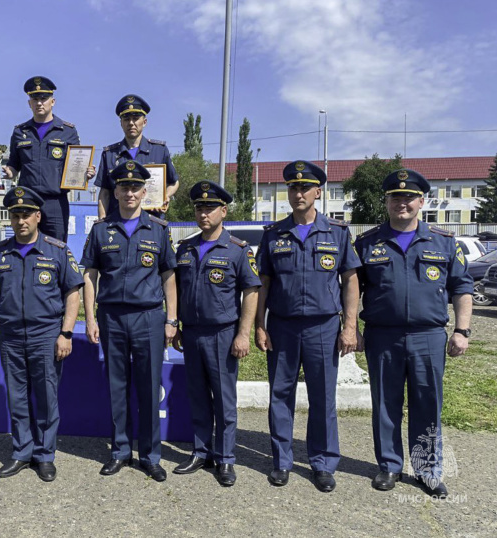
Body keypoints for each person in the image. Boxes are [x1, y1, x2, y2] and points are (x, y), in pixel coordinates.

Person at [355, 169, 472, 498]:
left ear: (421, 201)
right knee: (385, 404)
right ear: (387, 202)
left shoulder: (444, 242)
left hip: (429, 337)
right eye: (395, 197)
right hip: (382, 336)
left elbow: (462, 289)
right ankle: (389, 466)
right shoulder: (367, 243)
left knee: (427, 403)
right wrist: (352, 328)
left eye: (408, 198)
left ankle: (427, 470)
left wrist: (461, 330)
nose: (401, 203)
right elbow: (350, 289)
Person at [255, 160, 361, 493]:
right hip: (283, 326)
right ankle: (282, 461)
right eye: (293, 187)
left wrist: (350, 327)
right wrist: (260, 325)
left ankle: (323, 463)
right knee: (280, 396)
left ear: (318, 192)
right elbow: (263, 284)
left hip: (324, 327)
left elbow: (351, 280)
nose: (298, 193)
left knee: (323, 397)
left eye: (305, 188)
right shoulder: (274, 234)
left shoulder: (338, 233)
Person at [0, 186, 83, 482]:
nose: (20, 220)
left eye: (26, 214)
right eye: (15, 215)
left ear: (38, 216)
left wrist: (67, 333)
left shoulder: (57, 250)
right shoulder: (0, 253)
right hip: (10, 336)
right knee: (18, 398)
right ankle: (22, 452)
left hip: (45, 335)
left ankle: (45, 455)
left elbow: (73, 292)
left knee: (47, 397)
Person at [81, 160, 178, 482]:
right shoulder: (100, 230)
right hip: (112, 317)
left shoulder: (159, 230)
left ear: (144, 191)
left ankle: (151, 455)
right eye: (124, 186)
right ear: (117, 191)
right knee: (117, 387)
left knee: (150, 387)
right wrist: (90, 318)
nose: (130, 192)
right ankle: (121, 451)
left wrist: (172, 320)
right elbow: (90, 276)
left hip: (149, 317)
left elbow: (168, 277)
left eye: (136, 187)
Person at [172, 181, 260, 486]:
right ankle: (201, 451)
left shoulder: (237, 250)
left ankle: (225, 458)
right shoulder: (185, 248)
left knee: (224, 399)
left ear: (223, 211)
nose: (203, 212)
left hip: (223, 333)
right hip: (192, 334)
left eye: (210, 207)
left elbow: (251, 291)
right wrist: (177, 326)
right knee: (197, 396)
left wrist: (243, 334)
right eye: (199, 207)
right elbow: (177, 291)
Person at [0, 76, 95, 241]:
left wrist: (85, 173)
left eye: (44, 98)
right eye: (35, 99)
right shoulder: (20, 132)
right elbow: (14, 165)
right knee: (26, 245)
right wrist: (9, 172)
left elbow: (76, 164)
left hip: (55, 202)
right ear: (29, 103)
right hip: (28, 200)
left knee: (56, 246)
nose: (39, 103)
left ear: (53, 101)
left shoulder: (67, 131)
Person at [95, 94, 179, 219]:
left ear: (144, 122)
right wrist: (102, 221)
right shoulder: (109, 154)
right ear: (121, 123)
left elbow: (174, 182)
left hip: (151, 220)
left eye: (135, 118)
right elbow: (105, 193)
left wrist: (165, 196)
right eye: (126, 119)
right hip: (117, 223)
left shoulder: (159, 150)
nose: (131, 123)